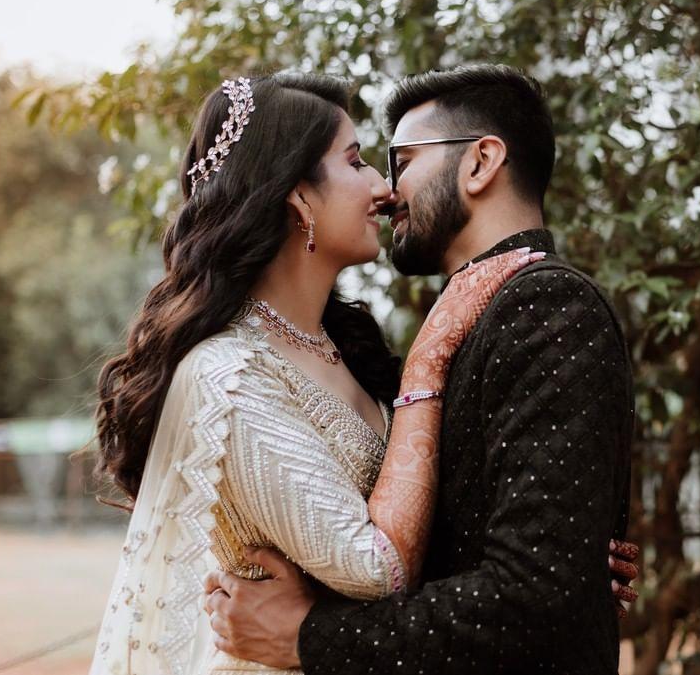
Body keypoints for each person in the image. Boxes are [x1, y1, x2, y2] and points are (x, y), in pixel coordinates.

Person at [89, 70, 636, 675]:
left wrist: (563, 565)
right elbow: (397, 561)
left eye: (398, 160)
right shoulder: (233, 371)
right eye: (362, 162)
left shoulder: (518, 310)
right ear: (299, 198)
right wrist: (548, 581)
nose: (384, 187)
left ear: (481, 163)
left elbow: (522, 581)